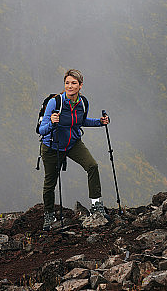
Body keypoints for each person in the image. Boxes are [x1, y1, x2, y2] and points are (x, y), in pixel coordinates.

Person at [38, 69, 110, 230]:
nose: (70, 86)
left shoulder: (83, 103)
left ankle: (96, 206)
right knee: (50, 183)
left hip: (73, 143)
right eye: (67, 83)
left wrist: (100, 122)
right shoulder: (55, 102)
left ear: (80, 85)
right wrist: (51, 122)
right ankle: (49, 215)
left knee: (92, 166)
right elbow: (41, 130)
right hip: (52, 146)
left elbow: (81, 121)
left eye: (73, 83)